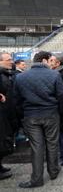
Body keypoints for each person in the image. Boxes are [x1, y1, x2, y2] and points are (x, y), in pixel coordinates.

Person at [14, 51, 63, 188]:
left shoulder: (21, 77)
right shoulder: (55, 75)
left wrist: (23, 114)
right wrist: (58, 111)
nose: (51, 63)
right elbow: (61, 96)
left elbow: (16, 99)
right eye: (50, 61)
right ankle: (53, 171)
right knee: (52, 143)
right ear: (44, 60)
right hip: (51, 114)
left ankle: (37, 179)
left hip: (31, 116)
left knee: (36, 147)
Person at [0, 52, 16, 180]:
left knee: (4, 139)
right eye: (8, 59)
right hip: (2, 112)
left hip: (7, 112)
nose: (11, 61)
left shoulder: (6, 73)